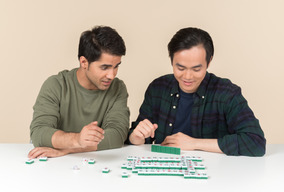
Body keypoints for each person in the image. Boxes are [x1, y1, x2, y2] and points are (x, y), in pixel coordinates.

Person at [128, 27, 266, 156]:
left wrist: (194, 143)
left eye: (196, 69)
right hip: (164, 169)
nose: (188, 77)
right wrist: (135, 137)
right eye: (180, 68)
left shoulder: (226, 93)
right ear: (171, 61)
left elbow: (255, 142)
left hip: (214, 173)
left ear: (209, 61)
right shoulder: (158, 88)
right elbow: (141, 138)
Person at [28, 26, 130, 159]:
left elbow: (117, 135)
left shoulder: (118, 88)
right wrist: (77, 140)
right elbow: (39, 132)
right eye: (104, 67)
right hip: (53, 164)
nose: (112, 75)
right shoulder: (56, 85)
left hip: (92, 164)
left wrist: (69, 149)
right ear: (84, 62)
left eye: (116, 66)